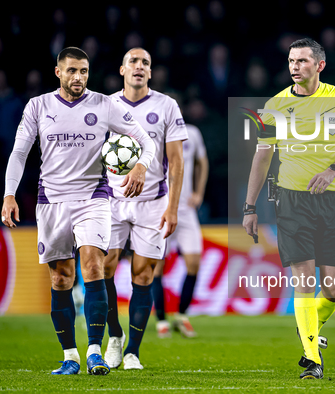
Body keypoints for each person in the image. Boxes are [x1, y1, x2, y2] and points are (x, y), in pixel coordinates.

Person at [0, 47, 156, 376]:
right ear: (58, 72)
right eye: (72, 71)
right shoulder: (39, 106)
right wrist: (9, 194)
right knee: (61, 278)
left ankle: (95, 352)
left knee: (93, 266)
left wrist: (141, 165)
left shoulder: (104, 105)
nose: (78, 77)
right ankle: (70, 356)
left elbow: (146, 140)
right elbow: (19, 152)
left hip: (93, 199)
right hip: (52, 202)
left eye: (84, 71)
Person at [242, 38, 335, 379]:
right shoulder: (274, 104)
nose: (295, 66)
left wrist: (332, 170)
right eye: (292, 61)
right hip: (292, 202)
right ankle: (313, 359)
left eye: (303, 61)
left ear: (319, 66)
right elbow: (262, 157)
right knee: (304, 281)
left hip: (332, 200)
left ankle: (307, 325)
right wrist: (249, 207)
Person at [102, 48, 187, 371]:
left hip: (153, 204)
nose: (139, 67)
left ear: (150, 73)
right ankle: (114, 337)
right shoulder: (105, 105)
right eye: (133, 62)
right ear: (122, 70)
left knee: (144, 275)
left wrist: (173, 208)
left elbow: (176, 161)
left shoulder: (166, 106)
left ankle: (133, 352)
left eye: (145, 64)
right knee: (105, 268)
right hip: (112, 201)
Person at [152, 123, 209, 338]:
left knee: (194, 263)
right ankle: (161, 321)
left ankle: (181, 316)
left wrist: (199, 192)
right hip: (159, 209)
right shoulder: (152, 131)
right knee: (157, 266)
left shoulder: (192, 132)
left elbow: (202, 162)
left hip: (185, 209)